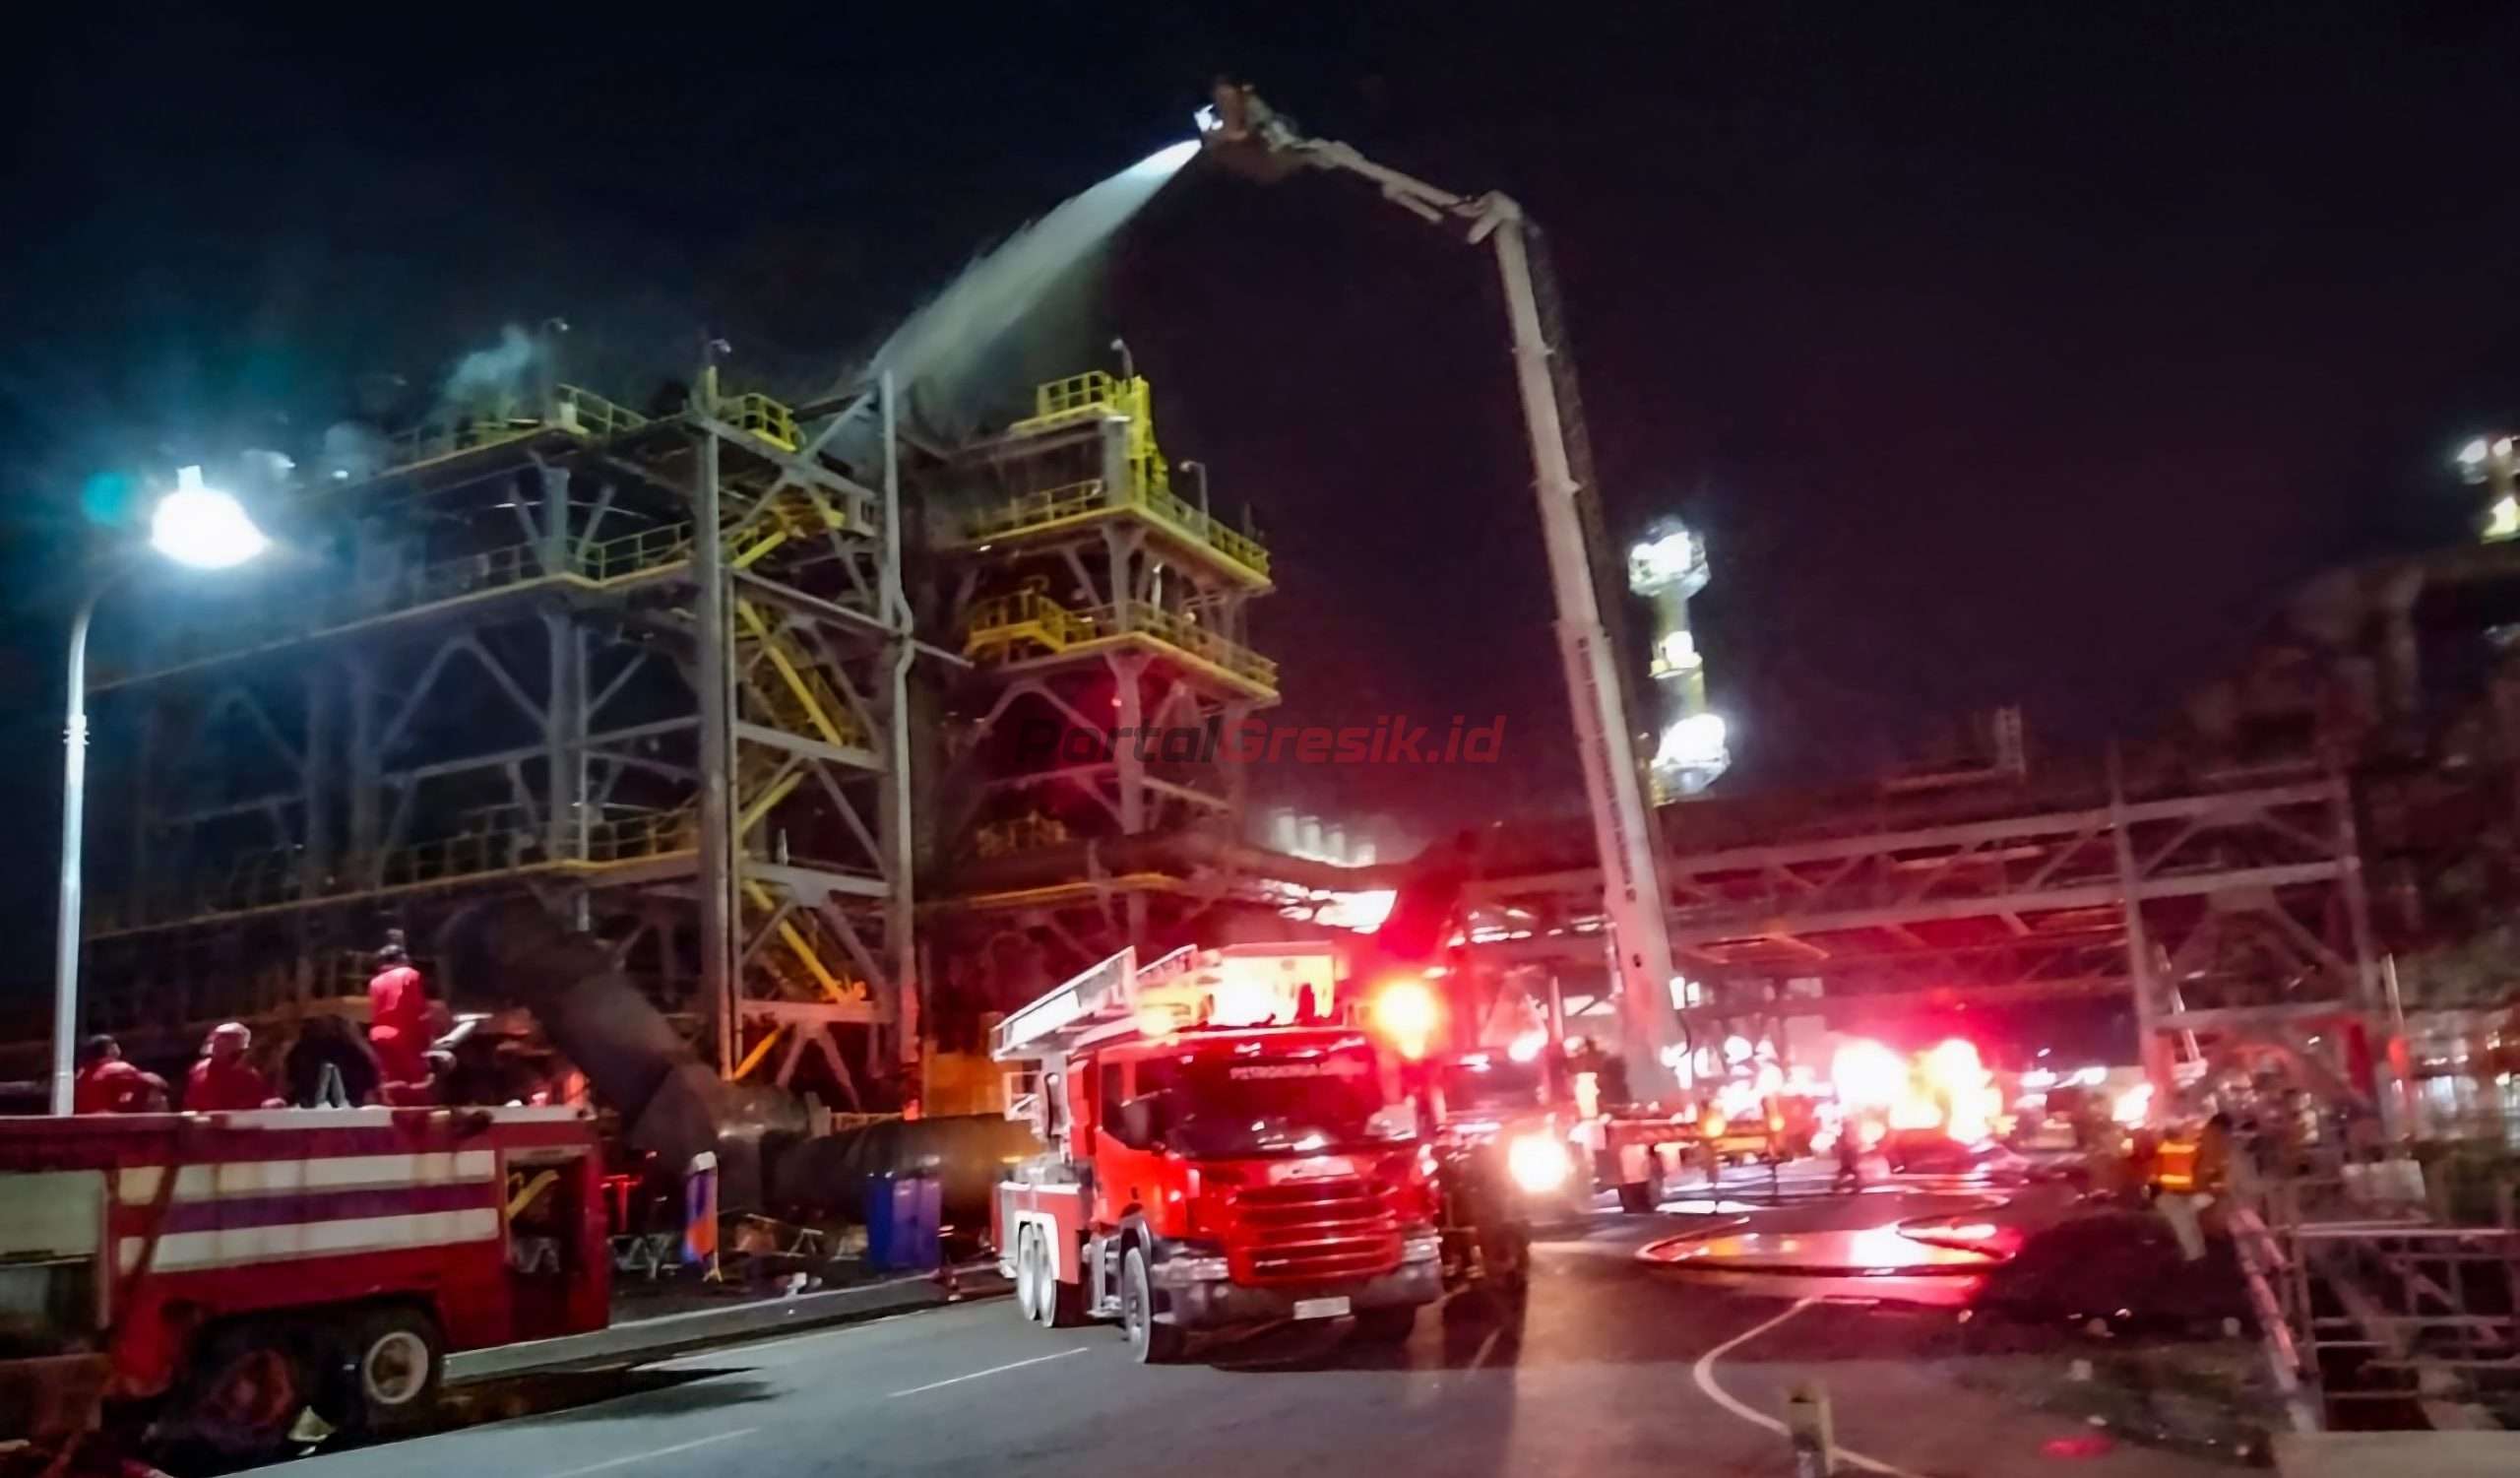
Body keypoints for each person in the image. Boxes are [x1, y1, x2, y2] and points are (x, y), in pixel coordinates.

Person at [367, 928, 433, 1094]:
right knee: (415, 1080)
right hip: (404, 1033)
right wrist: (428, 1035)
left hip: (379, 1033)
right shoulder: (410, 974)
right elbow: (418, 1007)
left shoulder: (375, 982)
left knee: (390, 1077)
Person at [185, 1022, 280, 1112]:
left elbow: (261, 1101)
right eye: (217, 1038)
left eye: (227, 1039)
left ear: (239, 1046)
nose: (219, 1042)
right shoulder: (197, 1069)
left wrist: (269, 1103)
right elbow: (190, 1102)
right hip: (202, 1124)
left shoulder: (247, 1074)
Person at [72, 1034, 167, 1114]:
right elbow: (154, 1081)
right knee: (158, 1097)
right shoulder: (118, 1068)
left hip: (84, 1126)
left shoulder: (80, 1074)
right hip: (110, 1125)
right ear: (110, 1049)